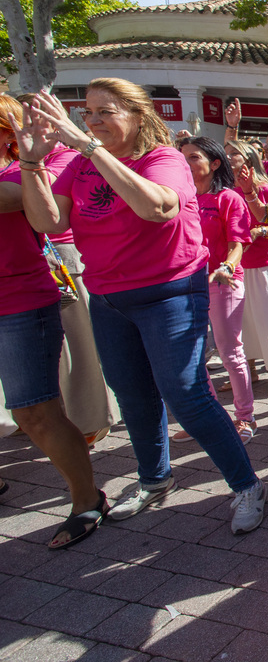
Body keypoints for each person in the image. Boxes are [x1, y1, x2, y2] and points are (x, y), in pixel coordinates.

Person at [19, 81, 265, 534]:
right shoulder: (79, 164)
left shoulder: (164, 159)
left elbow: (158, 209)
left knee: (186, 394)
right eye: (87, 112)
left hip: (170, 292)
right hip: (109, 298)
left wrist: (91, 149)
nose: (91, 121)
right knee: (132, 394)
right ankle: (155, 479)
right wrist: (32, 161)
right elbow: (47, 221)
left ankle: (246, 485)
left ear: (136, 114)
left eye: (104, 111)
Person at [1, 95, 107, 549]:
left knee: (36, 413)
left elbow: (36, 213)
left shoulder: (19, 172)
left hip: (19, 303)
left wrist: (29, 162)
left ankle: (86, 498)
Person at [177, 136, 256, 442]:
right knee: (194, 357)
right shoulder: (179, 196)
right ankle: (211, 418)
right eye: (182, 156)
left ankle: (245, 417)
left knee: (229, 352)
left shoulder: (229, 199)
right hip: (185, 284)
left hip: (223, 283)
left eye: (193, 157)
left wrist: (225, 267)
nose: (185, 163)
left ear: (214, 164)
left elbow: (238, 244)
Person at [226, 140, 268, 399]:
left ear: (249, 160)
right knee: (243, 322)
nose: (229, 157)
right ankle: (248, 370)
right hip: (236, 265)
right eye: (227, 153)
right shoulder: (224, 191)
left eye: (235, 154)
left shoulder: (266, 189)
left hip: (265, 264)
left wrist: (260, 230)